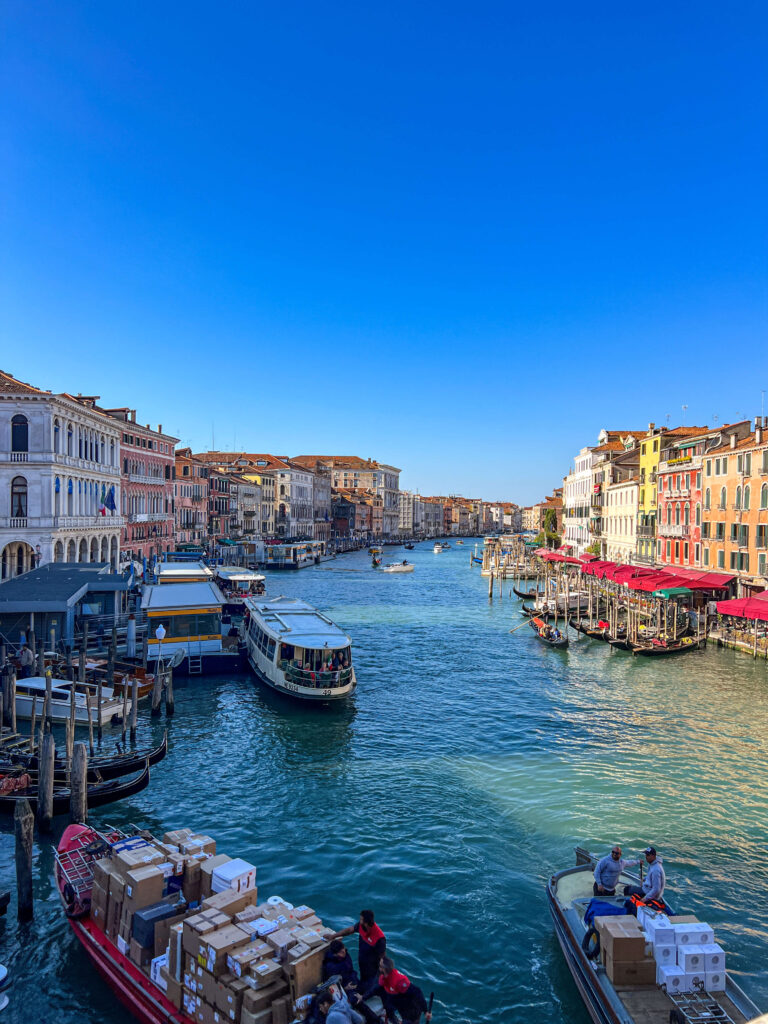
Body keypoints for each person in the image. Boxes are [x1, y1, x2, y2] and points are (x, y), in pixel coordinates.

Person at [323, 941, 381, 1024]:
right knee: (357, 1001)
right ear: (335, 954)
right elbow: (331, 984)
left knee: (374, 984)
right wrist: (345, 988)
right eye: (341, 952)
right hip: (346, 988)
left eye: (344, 950)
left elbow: (351, 970)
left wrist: (354, 981)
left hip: (355, 981)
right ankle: (375, 1020)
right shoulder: (330, 966)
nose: (344, 952)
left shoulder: (345, 955)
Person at [330, 910, 386, 987]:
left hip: (372, 968)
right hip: (362, 962)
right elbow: (349, 930)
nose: (359, 921)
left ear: (366, 923)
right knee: (363, 981)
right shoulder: (361, 926)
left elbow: (382, 958)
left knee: (370, 985)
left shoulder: (379, 938)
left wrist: (380, 976)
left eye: (361, 919)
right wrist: (333, 936)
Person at [370, 958, 431, 1024]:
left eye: (380, 966)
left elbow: (417, 992)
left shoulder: (399, 983)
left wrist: (426, 1011)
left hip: (410, 1012)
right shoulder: (385, 981)